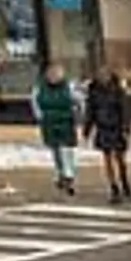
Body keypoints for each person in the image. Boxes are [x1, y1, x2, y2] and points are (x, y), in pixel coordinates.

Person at [81, 66, 131, 203]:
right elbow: (90, 112)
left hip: (116, 127)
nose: (102, 78)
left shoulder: (117, 90)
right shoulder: (93, 91)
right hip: (103, 128)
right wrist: (87, 130)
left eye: (105, 75)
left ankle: (124, 181)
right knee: (107, 158)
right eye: (100, 75)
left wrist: (126, 128)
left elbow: (125, 110)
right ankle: (114, 186)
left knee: (120, 159)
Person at [30, 65, 79, 196]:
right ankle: (60, 172)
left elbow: (78, 101)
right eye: (52, 74)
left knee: (66, 148)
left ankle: (68, 173)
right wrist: (40, 117)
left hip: (65, 121)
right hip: (49, 122)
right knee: (55, 148)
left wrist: (76, 114)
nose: (54, 77)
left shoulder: (69, 87)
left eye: (57, 74)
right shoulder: (40, 88)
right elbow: (35, 102)